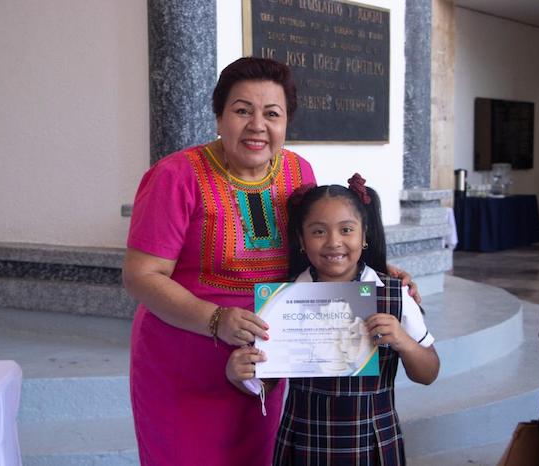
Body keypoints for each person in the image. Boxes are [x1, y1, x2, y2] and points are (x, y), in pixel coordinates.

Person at [123, 57, 419, 466]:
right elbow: (141, 276)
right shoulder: (176, 176)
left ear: (286, 123)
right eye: (242, 110)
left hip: (267, 360)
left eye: (272, 114)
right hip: (183, 362)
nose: (257, 125)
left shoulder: (299, 171)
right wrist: (215, 319)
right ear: (219, 117)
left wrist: (383, 274)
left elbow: (322, 250)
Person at [226, 174, 440, 465]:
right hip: (303, 443)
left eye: (346, 229)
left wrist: (404, 342)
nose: (334, 242)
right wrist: (238, 374)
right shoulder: (284, 302)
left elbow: (428, 373)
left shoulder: (394, 297)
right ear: (301, 239)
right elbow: (267, 383)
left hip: (373, 443)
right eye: (318, 232)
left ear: (364, 236)